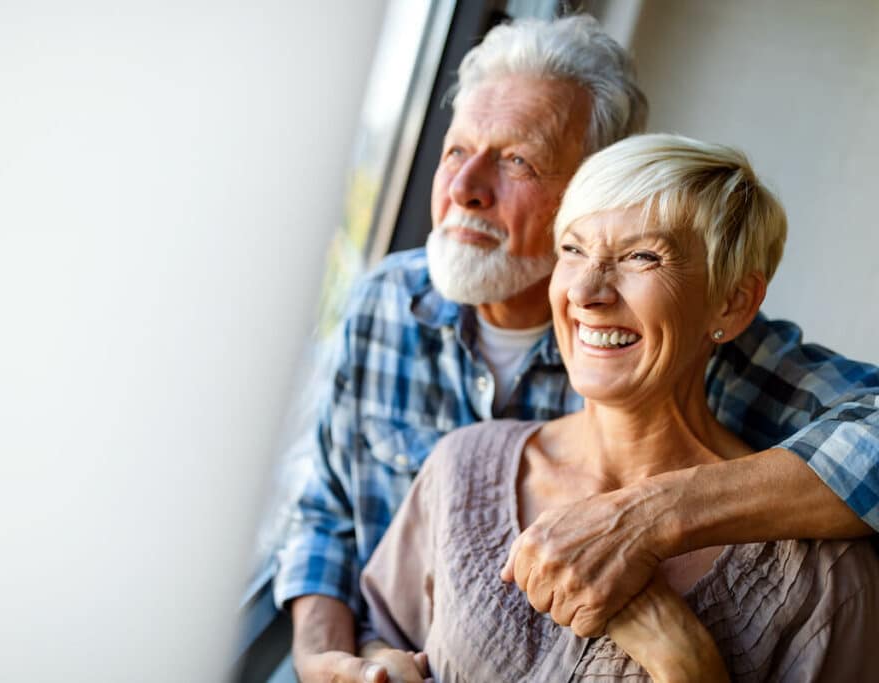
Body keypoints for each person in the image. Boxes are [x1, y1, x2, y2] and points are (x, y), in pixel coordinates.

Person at [272, 16, 879, 683]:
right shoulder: (386, 303)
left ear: (601, 182)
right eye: (455, 151)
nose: (463, 188)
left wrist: (651, 518)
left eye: (516, 160)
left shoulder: (720, 353)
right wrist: (325, 656)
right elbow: (325, 512)